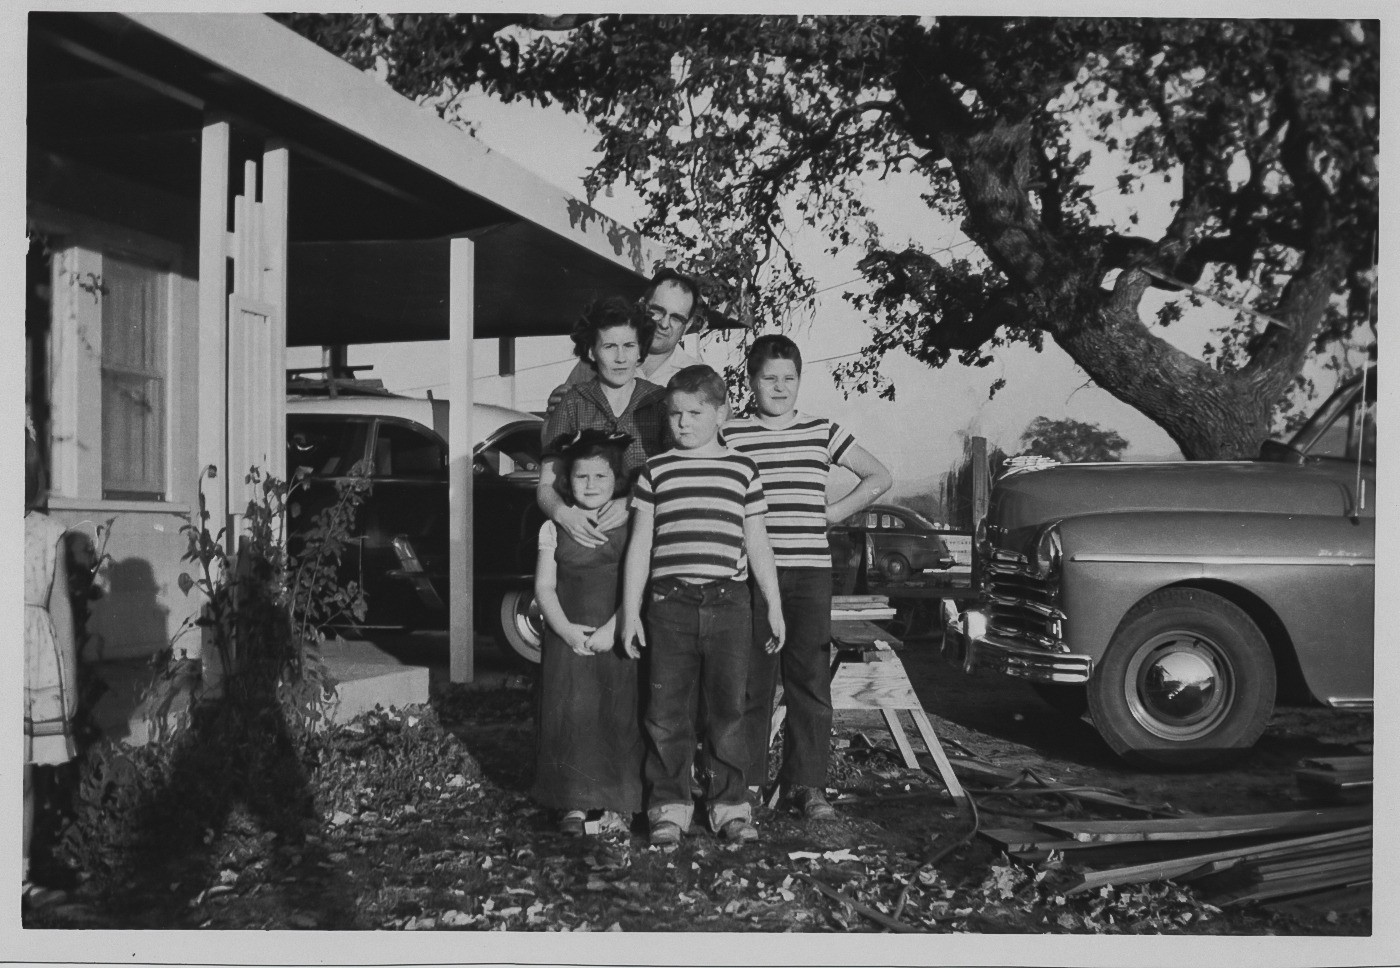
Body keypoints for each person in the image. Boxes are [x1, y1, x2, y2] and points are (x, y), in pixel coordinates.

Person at [725, 334, 893, 821]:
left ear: (800, 381)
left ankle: (808, 786)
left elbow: (880, 476)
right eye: (768, 378)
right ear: (752, 380)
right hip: (754, 575)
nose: (779, 387)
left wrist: (836, 512)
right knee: (753, 683)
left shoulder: (822, 430)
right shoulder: (732, 435)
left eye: (789, 378)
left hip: (810, 573)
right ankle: (749, 786)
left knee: (810, 682)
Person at [619, 365, 785, 846]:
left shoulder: (742, 470)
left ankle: (729, 805)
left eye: (695, 412)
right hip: (669, 604)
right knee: (666, 710)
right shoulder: (656, 471)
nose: (683, 423)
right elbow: (639, 547)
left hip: (729, 604)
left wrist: (772, 606)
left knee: (728, 711)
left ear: (722, 414)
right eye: (674, 414)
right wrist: (631, 610)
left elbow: (758, 544)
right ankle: (669, 806)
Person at [531, 429, 644, 836]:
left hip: (616, 633)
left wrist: (615, 627)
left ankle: (618, 803)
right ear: (567, 480)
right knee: (571, 715)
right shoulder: (552, 529)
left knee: (617, 716)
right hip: (568, 638)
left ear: (617, 482)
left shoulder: (630, 524)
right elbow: (543, 587)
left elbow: (638, 580)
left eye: (601, 477)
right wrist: (566, 632)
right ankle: (572, 801)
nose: (591, 486)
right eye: (582, 478)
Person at [537, 296, 670, 549]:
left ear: (641, 349)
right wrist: (565, 515)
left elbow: (675, 476)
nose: (621, 358)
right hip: (585, 541)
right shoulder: (573, 403)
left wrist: (632, 502)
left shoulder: (660, 402)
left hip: (648, 541)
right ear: (591, 351)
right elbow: (546, 484)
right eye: (609, 347)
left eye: (629, 345)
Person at [24, 417, 78, 907]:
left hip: (34, 663)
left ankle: (20, 874)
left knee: (24, 775)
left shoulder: (47, 533)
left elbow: (60, 605)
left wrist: (70, 678)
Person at [546, 268, 704, 411]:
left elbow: (723, 433)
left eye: (676, 318)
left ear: (688, 325)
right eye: (657, 310)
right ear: (642, 305)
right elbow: (560, 428)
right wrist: (555, 411)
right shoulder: (598, 355)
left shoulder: (699, 377)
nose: (664, 324)